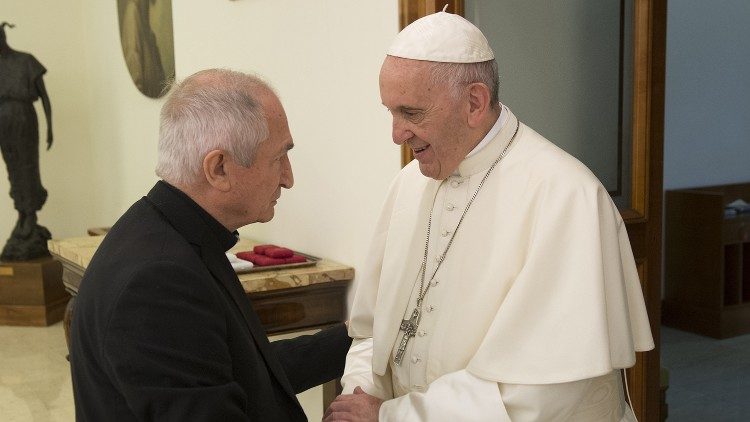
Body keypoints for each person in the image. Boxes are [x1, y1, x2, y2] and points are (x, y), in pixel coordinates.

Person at [325, 10, 654, 422]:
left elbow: (541, 395)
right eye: (390, 112)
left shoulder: (567, 196)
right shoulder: (409, 185)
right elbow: (372, 333)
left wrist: (390, 417)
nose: (396, 133)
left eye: (411, 113)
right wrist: (362, 395)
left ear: (474, 103)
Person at [69, 69, 352, 421]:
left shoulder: (165, 233)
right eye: (279, 157)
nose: (289, 178)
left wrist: (356, 337)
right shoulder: (160, 282)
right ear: (218, 168)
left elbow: (240, 372)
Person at [0, 21, 53, 260]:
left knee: (28, 167)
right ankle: (21, 213)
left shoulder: (25, 60)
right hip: (4, 123)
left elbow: (44, 97)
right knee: (13, 170)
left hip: (24, 119)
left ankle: (30, 215)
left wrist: (51, 127)